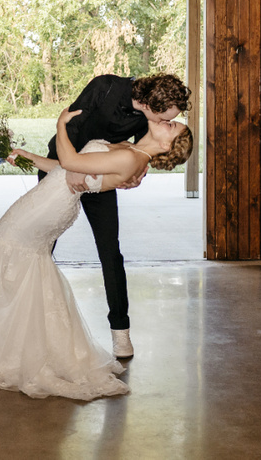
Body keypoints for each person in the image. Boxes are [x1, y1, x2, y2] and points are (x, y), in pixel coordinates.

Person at [0, 108, 193, 401]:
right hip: (50, 200)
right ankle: (9, 348)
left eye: (171, 127)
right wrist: (29, 156)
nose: (166, 122)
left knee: (0, 254)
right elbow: (65, 168)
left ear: (167, 146)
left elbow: (71, 161)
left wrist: (61, 124)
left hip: (48, 206)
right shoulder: (131, 150)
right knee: (22, 268)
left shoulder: (132, 158)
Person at [41, 73, 191, 359]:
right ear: (149, 104)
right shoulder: (105, 87)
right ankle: (32, 321)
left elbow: (142, 149)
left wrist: (137, 176)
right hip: (61, 167)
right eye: (164, 118)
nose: (163, 125)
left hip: (101, 176)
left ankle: (121, 333)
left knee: (111, 252)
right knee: (43, 244)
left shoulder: (151, 118)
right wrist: (72, 167)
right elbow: (71, 124)